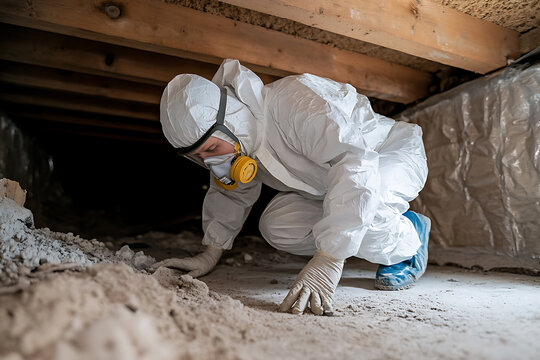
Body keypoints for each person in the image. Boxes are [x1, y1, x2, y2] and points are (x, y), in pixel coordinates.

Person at [153, 59, 431, 316]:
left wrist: (329, 258)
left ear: (230, 119)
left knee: (368, 206)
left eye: (212, 147)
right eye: (199, 156)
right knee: (277, 225)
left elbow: (354, 162)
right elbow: (231, 190)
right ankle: (369, 233)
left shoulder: (293, 102)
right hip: (331, 183)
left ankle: (409, 241)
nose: (211, 160)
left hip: (386, 153)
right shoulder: (240, 142)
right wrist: (210, 253)